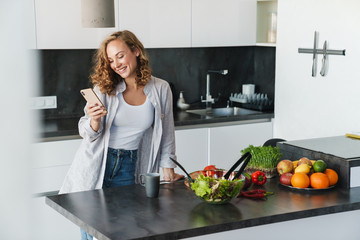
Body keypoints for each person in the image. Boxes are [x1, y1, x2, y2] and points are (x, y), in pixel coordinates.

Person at [59, 30, 184, 240]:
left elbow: (167, 133)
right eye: (110, 59)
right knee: (91, 230)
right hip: (97, 163)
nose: (116, 64)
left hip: (130, 166)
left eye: (120, 55)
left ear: (136, 51)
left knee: (124, 230)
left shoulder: (161, 89)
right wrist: (95, 120)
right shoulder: (104, 87)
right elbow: (86, 131)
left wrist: (168, 168)